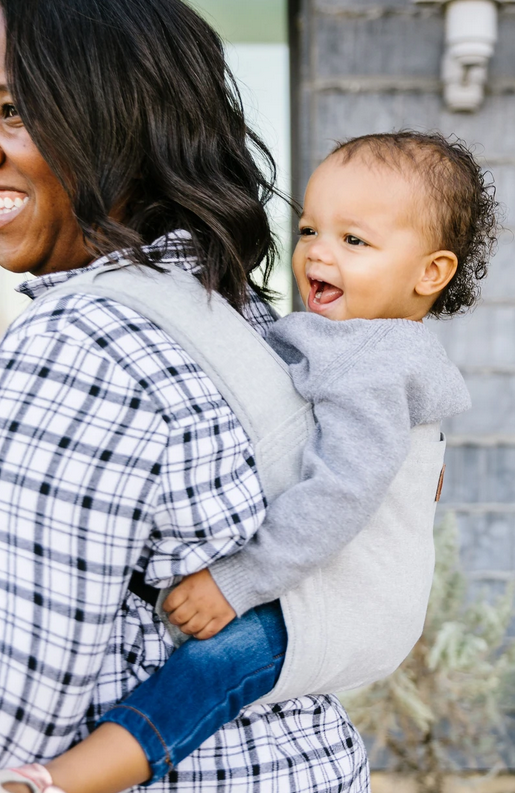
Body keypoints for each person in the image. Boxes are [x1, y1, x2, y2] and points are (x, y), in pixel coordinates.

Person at [1, 129, 499, 793]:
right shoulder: (338, 337)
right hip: (327, 603)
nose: (319, 251)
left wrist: (236, 579)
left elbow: (341, 493)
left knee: (209, 672)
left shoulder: (376, 365)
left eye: (354, 240)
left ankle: (57, 780)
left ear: (430, 273)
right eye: (310, 229)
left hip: (336, 599)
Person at [0, 0, 372, 791]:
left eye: (12, 111)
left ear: (116, 124)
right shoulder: (235, 311)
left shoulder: (80, 343)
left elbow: (18, 709)